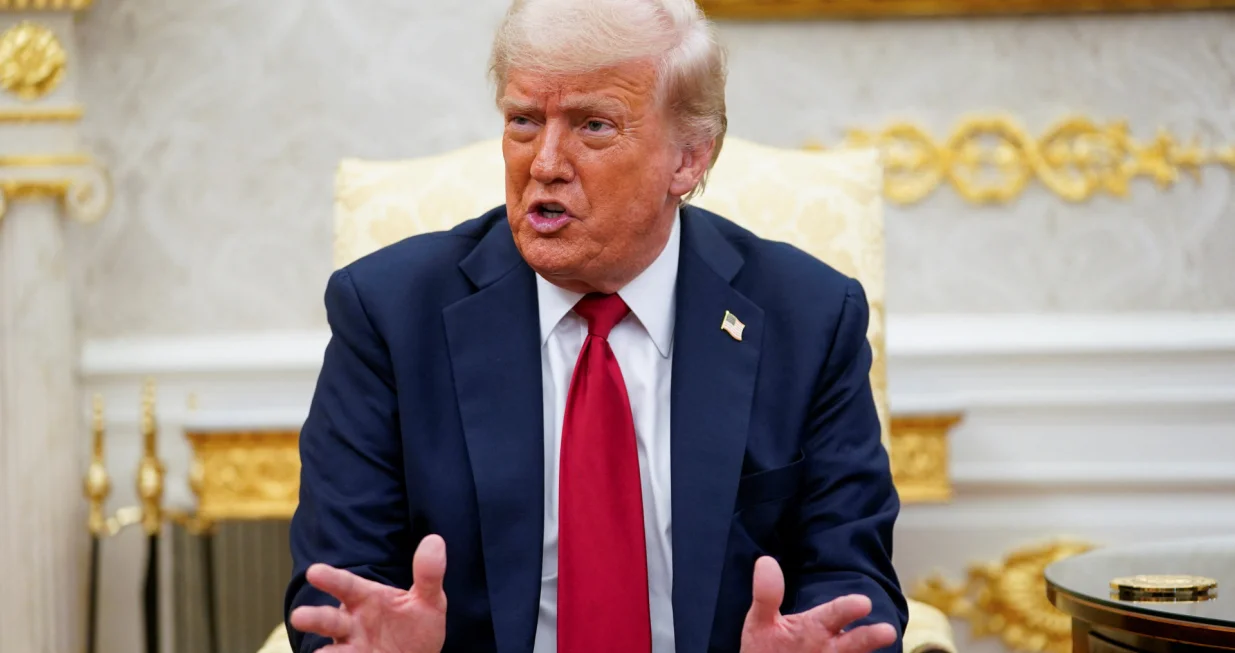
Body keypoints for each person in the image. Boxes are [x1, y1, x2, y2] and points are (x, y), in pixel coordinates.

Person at [284, 0, 907, 651]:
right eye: (523, 120)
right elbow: (340, 585)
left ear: (689, 159)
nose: (545, 162)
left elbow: (848, 573)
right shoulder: (389, 312)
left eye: (593, 126)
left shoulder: (805, 318)